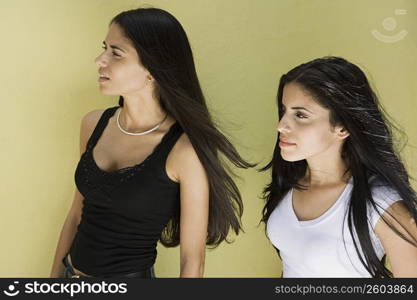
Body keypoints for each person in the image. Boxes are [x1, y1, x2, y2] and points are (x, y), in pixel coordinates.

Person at [50, 7, 253, 278]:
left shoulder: (184, 151)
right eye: (104, 48)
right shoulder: (92, 125)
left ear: (152, 69)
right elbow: (77, 214)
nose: (100, 59)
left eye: (116, 52)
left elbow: (193, 262)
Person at [261, 56, 417, 277]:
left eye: (301, 115)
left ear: (342, 127)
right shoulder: (289, 182)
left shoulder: (380, 204)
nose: (281, 126)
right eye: (284, 111)